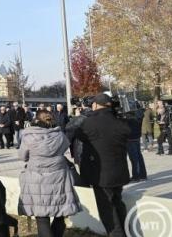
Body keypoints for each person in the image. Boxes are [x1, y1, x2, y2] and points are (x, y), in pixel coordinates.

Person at [18, 110, 82, 237]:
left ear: (36, 120)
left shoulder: (29, 137)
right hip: (59, 178)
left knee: (42, 218)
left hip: (36, 179)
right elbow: (64, 149)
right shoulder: (60, 136)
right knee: (60, 214)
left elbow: (22, 156)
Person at [75, 93, 131, 237]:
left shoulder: (89, 123)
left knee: (107, 210)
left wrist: (80, 117)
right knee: (118, 204)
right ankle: (126, 231)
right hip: (119, 173)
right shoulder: (119, 121)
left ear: (95, 105)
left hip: (100, 175)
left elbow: (78, 135)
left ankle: (117, 234)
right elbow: (128, 132)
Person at [65, 106, 89, 186]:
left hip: (81, 149)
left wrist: (76, 117)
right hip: (90, 148)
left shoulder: (80, 118)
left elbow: (69, 130)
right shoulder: (97, 115)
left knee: (84, 173)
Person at [126, 111, 147, 181]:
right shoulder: (138, 117)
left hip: (130, 139)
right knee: (139, 156)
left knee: (134, 158)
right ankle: (142, 174)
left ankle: (136, 176)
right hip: (136, 138)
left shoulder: (129, 119)